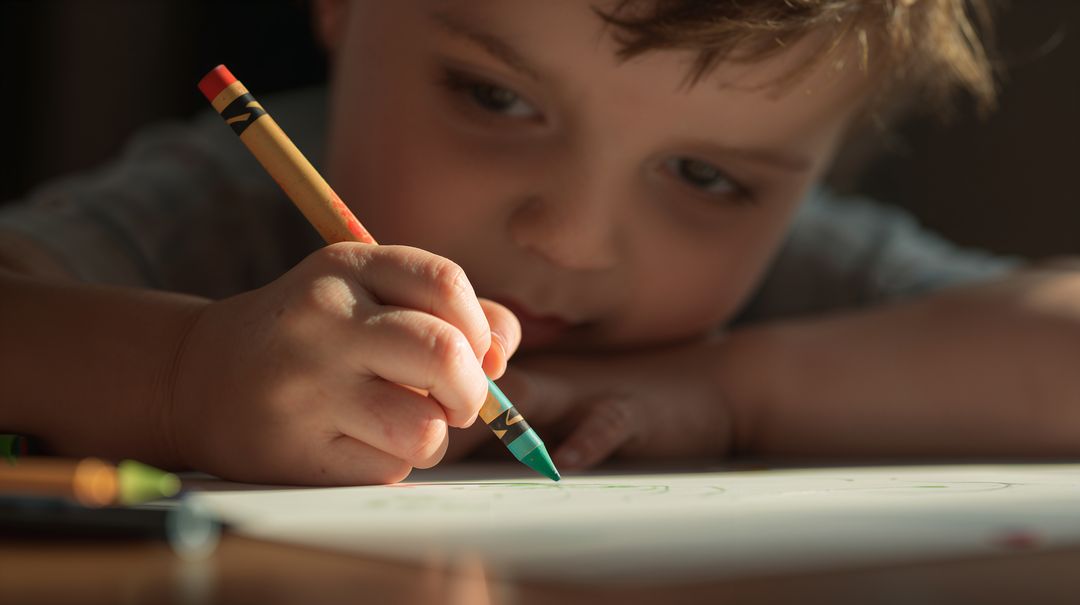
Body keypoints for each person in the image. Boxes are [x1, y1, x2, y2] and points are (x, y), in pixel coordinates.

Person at [2, 1, 1077, 486]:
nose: (571, 240)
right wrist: (181, 376)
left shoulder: (790, 274)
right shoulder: (223, 209)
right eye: (495, 98)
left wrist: (724, 387)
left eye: (706, 177)